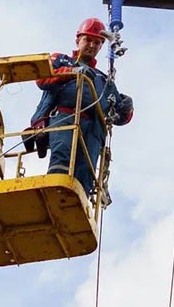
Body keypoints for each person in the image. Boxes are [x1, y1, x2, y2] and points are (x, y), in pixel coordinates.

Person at [27, 17, 134, 198]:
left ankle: (78, 204)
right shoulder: (61, 60)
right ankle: (55, 194)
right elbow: (42, 78)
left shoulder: (104, 81)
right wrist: (72, 72)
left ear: (101, 47)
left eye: (97, 42)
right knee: (62, 155)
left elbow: (119, 116)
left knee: (86, 172)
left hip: (93, 129)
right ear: (78, 40)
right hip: (65, 117)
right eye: (88, 40)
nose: (92, 45)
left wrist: (127, 108)